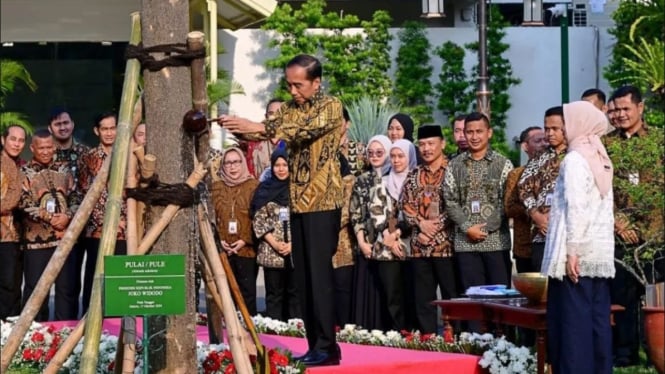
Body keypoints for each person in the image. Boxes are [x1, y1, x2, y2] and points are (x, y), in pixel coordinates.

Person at [220, 54, 344, 367]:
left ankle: (329, 348)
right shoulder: (288, 109)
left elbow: (300, 130)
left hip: (323, 202)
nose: (293, 91)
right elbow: (266, 130)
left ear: (316, 83)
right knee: (303, 279)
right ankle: (315, 344)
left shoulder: (330, 106)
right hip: (297, 202)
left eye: (299, 85)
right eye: (289, 85)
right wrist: (236, 127)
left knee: (319, 277)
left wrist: (259, 127)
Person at [542, 100, 615, 374]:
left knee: (572, 324)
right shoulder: (599, 155)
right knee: (596, 321)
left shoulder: (575, 159)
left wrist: (573, 250)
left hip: (575, 254)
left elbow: (576, 206)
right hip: (598, 252)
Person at [603, 85, 663, 367]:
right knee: (623, 298)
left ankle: (656, 352)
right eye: (615, 109)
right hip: (620, 234)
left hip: (655, 235)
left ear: (640, 108)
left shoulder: (658, 142)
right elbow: (600, 188)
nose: (620, 115)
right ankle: (625, 354)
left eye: (626, 109)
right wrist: (618, 220)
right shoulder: (606, 145)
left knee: (657, 297)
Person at [444, 112, 513, 293]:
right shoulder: (454, 165)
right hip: (465, 244)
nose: (474, 137)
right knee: (472, 299)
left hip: (496, 243)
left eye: (479, 131)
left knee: (500, 300)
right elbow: (450, 200)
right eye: (469, 132)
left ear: (489, 133)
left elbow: (507, 202)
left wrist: (484, 229)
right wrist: (468, 227)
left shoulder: (502, 164)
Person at [401, 125, 457, 334]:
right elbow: (405, 205)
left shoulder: (453, 171)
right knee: (423, 297)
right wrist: (421, 224)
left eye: (431, 143)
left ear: (442, 144)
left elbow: (457, 206)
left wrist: (434, 228)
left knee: (451, 295)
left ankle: (455, 340)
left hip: (447, 246)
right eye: (422, 144)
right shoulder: (413, 174)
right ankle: (428, 339)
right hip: (419, 247)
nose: (426, 149)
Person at [19, 129, 78, 321]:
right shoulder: (24, 172)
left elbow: (77, 197)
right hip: (37, 243)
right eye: (41, 147)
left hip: (65, 241)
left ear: (54, 147)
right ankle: (36, 339)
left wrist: (68, 215)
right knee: (36, 291)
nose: (45, 151)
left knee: (66, 291)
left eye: (49, 147)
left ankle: (66, 336)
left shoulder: (65, 169)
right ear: (32, 148)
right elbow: (23, 202)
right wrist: (49, 217)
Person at [78, 112, 128, 314]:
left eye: (112, 128)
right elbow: (87, 195)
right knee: (96, 277)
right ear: (96, 131)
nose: (109, 133)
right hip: (97, 230)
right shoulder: (88, 158)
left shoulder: (128, 155)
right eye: (104, 129)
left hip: (125, 230)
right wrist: (109, 221)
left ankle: (119, 327)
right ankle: (91, 321)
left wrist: (124, 221)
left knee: (121, 280)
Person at [349, 135, 393, 331]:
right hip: (365, 245)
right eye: (371, 153)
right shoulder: (362, 179)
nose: (374, 156)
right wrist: (361, 242)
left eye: (379, 152)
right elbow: (355, 212)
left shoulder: (395, 177)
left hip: (388, 246)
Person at [48, 108, 89, 312]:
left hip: (77, 228)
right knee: (44, 283)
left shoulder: (85, 154)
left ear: (72, 124)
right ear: (50, 128)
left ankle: (71, 329)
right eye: (58, 124)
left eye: (66, 123)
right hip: (49, 229)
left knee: (71, 284)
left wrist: (69, 217)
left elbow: (88, 191)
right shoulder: (45, 152)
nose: (63, 127)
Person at [251, 148, 300, 321]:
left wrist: (292, 244)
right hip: (272, 252)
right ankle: (274, 334)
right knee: (274, 295)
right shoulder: (265, 189)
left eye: (285, 165)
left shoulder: (298, 190)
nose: (281, 169)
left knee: (295, 295)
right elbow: (258, 219)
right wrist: (274, 243)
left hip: (295, 251)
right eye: (277, 165)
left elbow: (303, 219)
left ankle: (295, 334)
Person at [518, 106, 567, 270]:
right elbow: (524, 187)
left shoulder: (577, 153)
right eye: (547, 129)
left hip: (568, 235)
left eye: (555, 128)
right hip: (542, 235)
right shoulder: (540, 156)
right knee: (543, 288)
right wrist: (536, 215)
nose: (550, 133)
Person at [212, 147, 259, 316]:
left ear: (243, 163)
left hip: (246, 249)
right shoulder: (216, 188)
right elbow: (211, 217)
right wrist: (220, 240)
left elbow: (258, 216)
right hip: (223, 248)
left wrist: (245, 240)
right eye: (228, 163)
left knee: (247, 293)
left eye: (236, 162)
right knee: (225, 294)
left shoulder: (254, 186)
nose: (232, 167)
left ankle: (250, 330)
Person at [504, 126, 546, 273]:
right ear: (525, 146)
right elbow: (509, 207)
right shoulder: (516, 174)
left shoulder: (556, 170)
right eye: (538, 140)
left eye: (545, 140)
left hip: (549, 244)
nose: (544, 144)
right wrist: (535, 213)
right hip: (525, 246)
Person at [0, 125, 27, 319]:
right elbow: (13, 197)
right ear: (3, 140)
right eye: (13, 139)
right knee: (6, 286)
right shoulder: (4, 163)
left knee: (14, 286)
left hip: (16, 236)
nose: (17, 144)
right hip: (3, 237)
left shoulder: (20, 165)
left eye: (21, 140)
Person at [332, 128, 357, 327]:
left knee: (342, 289)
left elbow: (347, 211)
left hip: (343, 244)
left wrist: (323, 224)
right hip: (324, 246)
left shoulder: (349, 181)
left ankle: (345, 329)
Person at [246, 99, 285, 179]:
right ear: (266, 116)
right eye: (271, 113)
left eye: (279, 113)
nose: (274, 117)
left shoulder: (294, 140)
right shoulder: (254, 142)